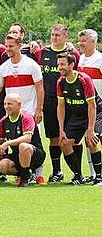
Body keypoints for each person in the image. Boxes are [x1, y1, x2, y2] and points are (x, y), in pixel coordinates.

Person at [0, 33, 45, 184]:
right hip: (11, 111)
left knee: (33, 142)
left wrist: (39, 109)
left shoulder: (31, 65)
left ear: (19, 46)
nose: (7, 49)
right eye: (6, 46)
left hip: (29, 111)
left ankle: (39, 175)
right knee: (14, 145)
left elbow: (40, 88)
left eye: (11, 46)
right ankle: (22, 174)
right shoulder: (4, 67)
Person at [32, 25, 80, 182]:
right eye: (52, 34)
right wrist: (31, 44)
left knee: (73, 138)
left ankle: (77, 173)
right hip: (50, 101)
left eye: (58, 35)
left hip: (70, 101)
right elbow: (17, 48)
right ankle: (56, 171)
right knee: (54, 137)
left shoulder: (73, 54)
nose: (54, 37)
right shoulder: (42, 52)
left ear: (66, 36)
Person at [55, 53, 102, 185]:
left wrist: (91, 129)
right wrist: (61, 130)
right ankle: (78, 176)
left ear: (71, 65)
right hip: (77, 116)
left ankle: (98, 177)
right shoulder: (60, 81)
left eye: (63, 64)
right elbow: (61, 106)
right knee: (64, 143)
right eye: (58, 64)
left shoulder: (83, 79)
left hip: (94, 113)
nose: (60, 67)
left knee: (91, 140)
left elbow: (92, 106)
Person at [0, 93, 46, 187]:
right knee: (3, 166)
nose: (6, 106)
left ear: (19, 104)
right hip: (17, 155)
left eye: (10, 104)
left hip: (35, 154)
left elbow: (27, 138)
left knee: (23, 146)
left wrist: (7, 143)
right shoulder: (4, 121)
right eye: (5, 104)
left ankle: (25, 177)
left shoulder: (26, 117)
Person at [77, 28, 102, 181]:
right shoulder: (81, 58)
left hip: (100, 105)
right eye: (80, 41)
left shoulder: (100, 59)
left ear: (93, 42)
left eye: (84, 41)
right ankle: (93, 174)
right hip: (87, 106)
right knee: (89, 139)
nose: (81, 43)